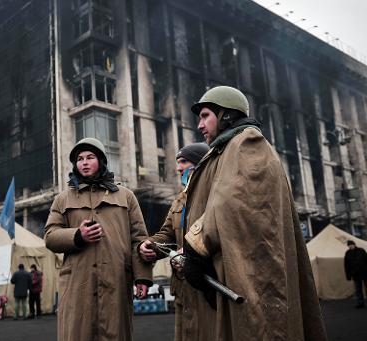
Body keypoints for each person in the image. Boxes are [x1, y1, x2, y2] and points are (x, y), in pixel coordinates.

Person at [181, 86, 327, 340]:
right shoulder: (225, 149)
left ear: (226, 114)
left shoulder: (247, 141)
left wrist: (196, 246)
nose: (200, 125)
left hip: (253, 274)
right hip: (234, 268)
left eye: (205, 116)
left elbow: (234, 201)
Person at [44, 137, 152, 341]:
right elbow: (50, 237)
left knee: (115, 333)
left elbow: (139, 239)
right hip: (78, 284)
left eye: (90, 157)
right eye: (80, 159)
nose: (84, 162)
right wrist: (77, 235)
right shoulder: (63, 199)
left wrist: (143, 277)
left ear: (101, 161)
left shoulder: (126, 196)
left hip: (116, 281)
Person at [138, 142, 209, 341]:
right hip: (183, 287)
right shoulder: (179, 200)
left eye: (184, 162)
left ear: (201, 163)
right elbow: (167, 233)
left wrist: (189, 251)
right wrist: (150, 244)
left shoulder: (215, 192)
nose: (179, 168)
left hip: (208, 285)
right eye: (178, 163)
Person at [344, 240, 367, 308]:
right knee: (358, 289)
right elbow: (346, 265)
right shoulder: (347, 253)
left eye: (351, 245)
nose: (350, 246)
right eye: (349, 245)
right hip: (355, 274)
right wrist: (348, 275)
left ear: (354, 244)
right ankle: (360, 303)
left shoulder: (361, 250)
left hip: (364, 272)